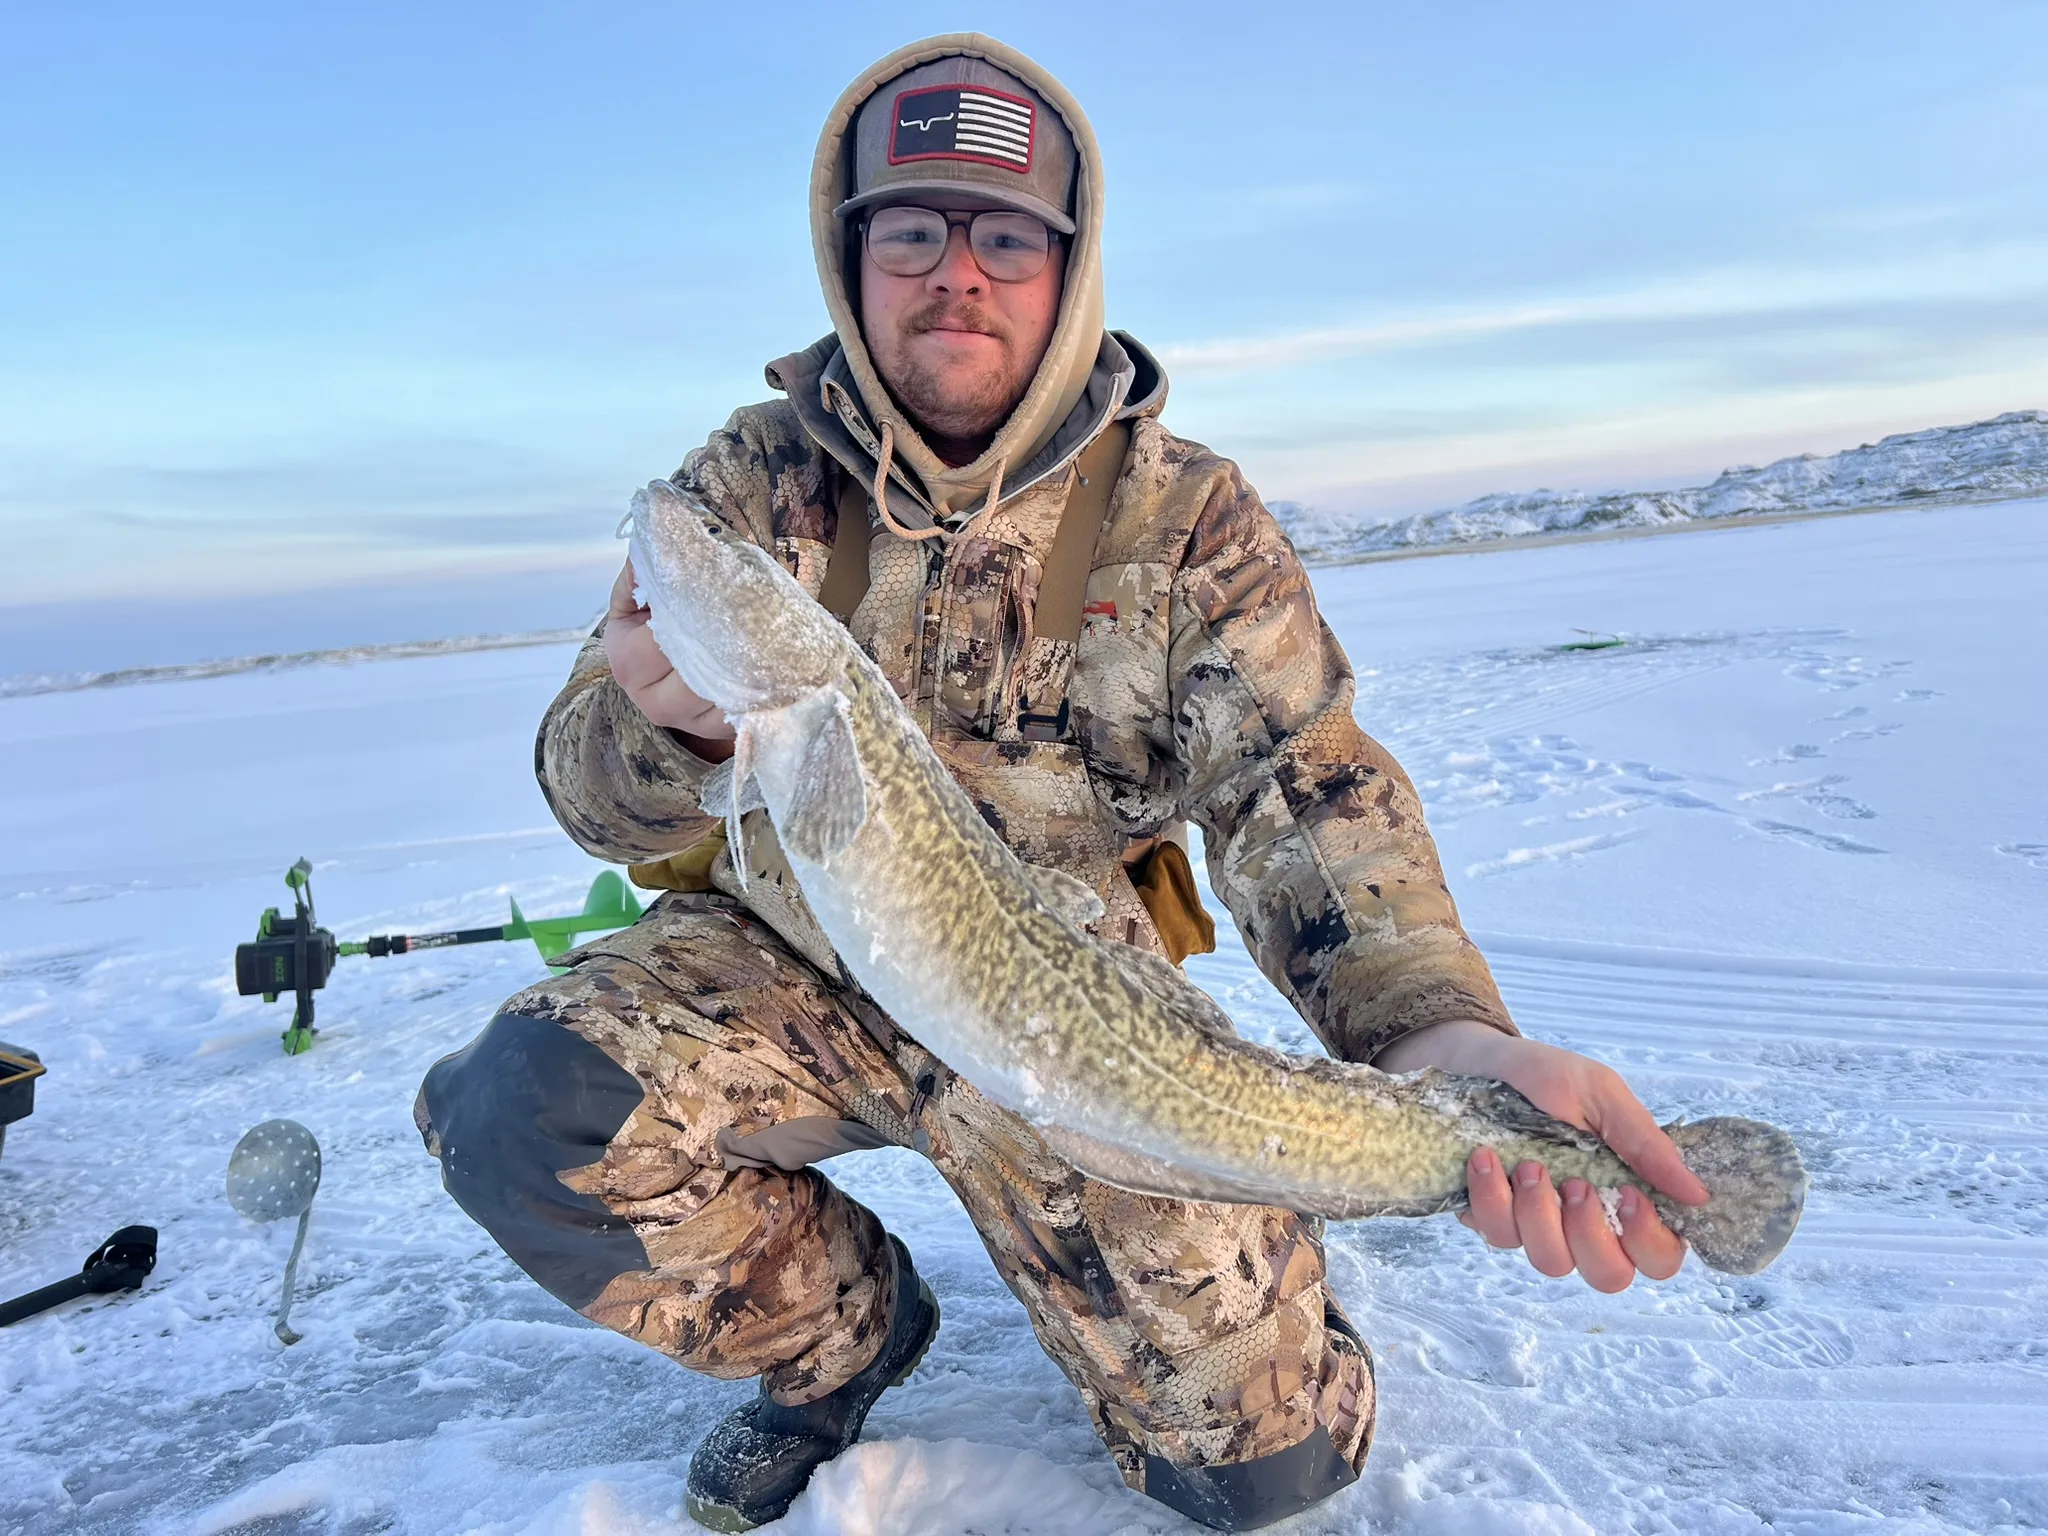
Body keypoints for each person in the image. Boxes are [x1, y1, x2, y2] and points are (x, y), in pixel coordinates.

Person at [414, 33, 1709, 1533]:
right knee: (522, 1112)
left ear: (1065, 267)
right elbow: (591, 790)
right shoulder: (743, 490)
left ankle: (1258, 1278)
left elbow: (1306, 787)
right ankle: (841, 1340)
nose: (955, 271)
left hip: (1071, 1007)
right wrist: (681, 739)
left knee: (1262, 1471)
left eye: (1004, 235)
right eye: (911, 230)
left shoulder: (1187, 517)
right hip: (786, 967)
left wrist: (1438, 1037)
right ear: (851, 261)